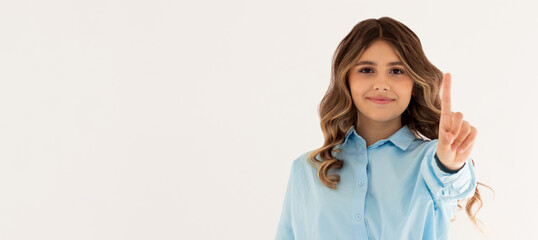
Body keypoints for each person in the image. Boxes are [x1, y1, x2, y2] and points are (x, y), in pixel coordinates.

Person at [275, 17, 493, 240]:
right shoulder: (307, 170)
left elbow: (454, 182)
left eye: (397, 71)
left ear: (415, 85)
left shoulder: (431, 162)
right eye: (367, 70)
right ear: (346, 80)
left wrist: (451, 164)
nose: (381, 84)